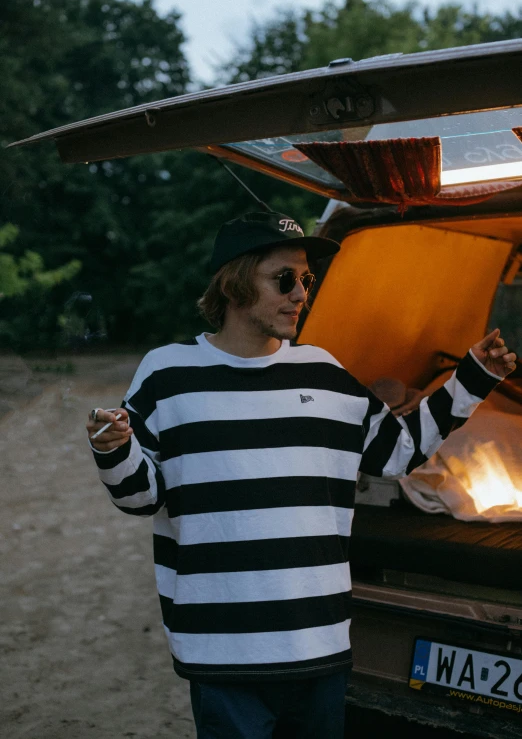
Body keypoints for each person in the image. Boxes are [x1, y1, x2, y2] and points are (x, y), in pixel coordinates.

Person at [86, 211, 517, 739]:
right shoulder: (167, 373)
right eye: (284, 279)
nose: (301, 295)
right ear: (235, 282)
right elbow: (140, 496)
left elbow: (396, 451)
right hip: (222, 649)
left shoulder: (325, 374)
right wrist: (113, 448)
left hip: (320, 645)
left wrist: (474, 377)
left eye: (307, 280)